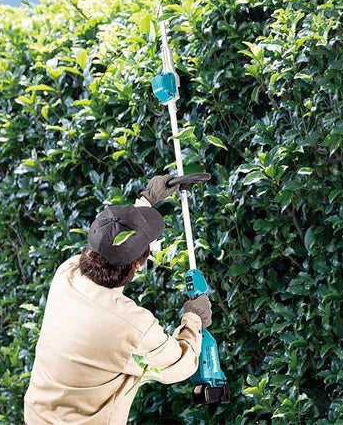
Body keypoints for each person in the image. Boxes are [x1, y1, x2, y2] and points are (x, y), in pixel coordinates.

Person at [24, 174, 213, 425]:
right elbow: (181, 363)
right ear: (138, 264)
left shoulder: (67, 274)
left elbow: (111, 244)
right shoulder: (133, 327)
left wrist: (146, 201)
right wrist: (194, 319)